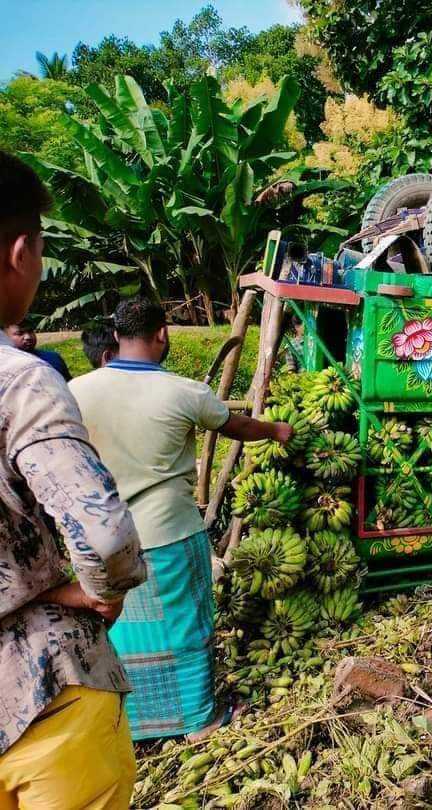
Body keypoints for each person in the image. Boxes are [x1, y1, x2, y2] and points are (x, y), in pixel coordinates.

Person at [70, 297, 294, 741]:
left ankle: (131, 723)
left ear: (115, 337)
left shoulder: (76, 391)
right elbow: (237, 428)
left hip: (100, 536)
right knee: (185, 626)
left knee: (123, 630)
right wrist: (276, 430)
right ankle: (198, 720)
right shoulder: (183, 391)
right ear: (162, 335)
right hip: (168, 532)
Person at [0, 150, 146, 808]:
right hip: (45, 697)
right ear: (21, 251)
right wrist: (95, 591)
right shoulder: (21, 382)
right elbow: (102, 534)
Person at [2, 318, 71, 380]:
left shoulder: (53, 357)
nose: (28, 337)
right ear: (5, 336)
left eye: (30, 331)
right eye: (20, 333)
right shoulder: (3, 364)